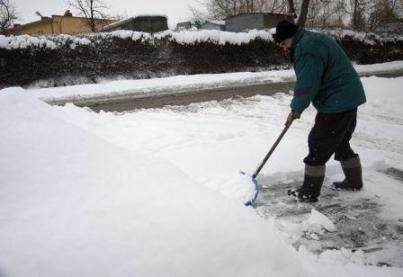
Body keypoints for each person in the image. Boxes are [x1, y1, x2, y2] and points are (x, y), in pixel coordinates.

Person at [273, 20, 366, 202]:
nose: (284, 49)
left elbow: (307, 84)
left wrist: (296, 109)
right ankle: (354, 181)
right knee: (340, 141)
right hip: (347, 97)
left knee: (317, 143)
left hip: (337, 101)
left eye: (284, 44)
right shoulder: (311, 39)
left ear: (292, 37)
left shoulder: (306, 48)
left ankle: (309, 192)